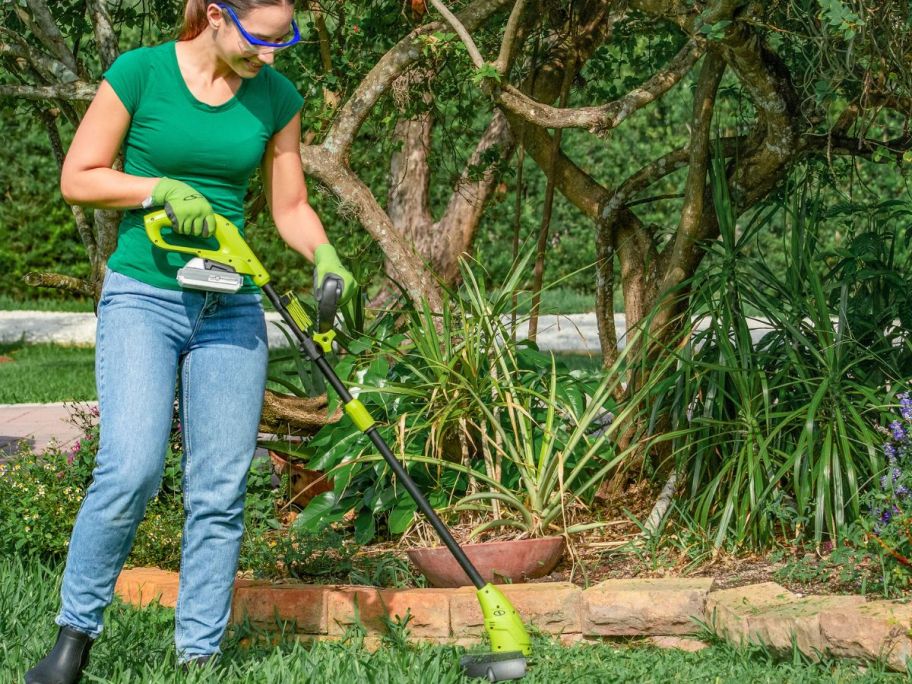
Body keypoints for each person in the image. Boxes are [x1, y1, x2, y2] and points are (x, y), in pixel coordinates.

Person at [25, 1, 356, 681]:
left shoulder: (276, 97)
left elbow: (290, 207)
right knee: (131, 466)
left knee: (221, 489)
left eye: (283, 42)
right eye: (260, 41)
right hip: (144, 298)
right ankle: (72, 639)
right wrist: (160, 189)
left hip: (230, 309)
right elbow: (78, 176)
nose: (270, 57)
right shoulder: (140, 72)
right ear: (214, 14)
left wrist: (324, 254)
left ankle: (198, 657)